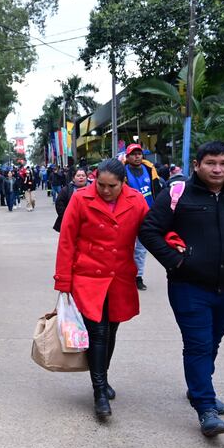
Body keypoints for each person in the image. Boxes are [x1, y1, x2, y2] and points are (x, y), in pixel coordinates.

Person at [139, 141, 224, 437]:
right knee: (198, 344)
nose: (218, 169)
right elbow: (149, 230)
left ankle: (199, 387)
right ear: (197, 165)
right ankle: (206, 407)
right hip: (188, 286)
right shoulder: (177, 194)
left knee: (213, 341)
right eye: (211, 163)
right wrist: (177, 263)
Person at [54, 158, 149, 419]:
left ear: (123, 183)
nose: (105, 191)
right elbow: (67, 239)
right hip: (88, 277)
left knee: (112, 329)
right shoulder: (81, 198)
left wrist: (173, 241)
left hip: (119, 277)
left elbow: (153, 229)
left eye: (112, 186)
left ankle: (102, 379)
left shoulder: (137, 201)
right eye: (101, 185)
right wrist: (63, 280)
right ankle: (98, 392)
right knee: (98, 331)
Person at [123, 144, 163, 291]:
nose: (137, 156)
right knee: (125, 247)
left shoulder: (150, 170)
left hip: (147, 216)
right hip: (127, 215)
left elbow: (157, 191)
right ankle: (125, 275)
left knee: (141, 249)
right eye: (133, 154)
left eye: (139, 153)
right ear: (127, 157)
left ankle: (138, 277)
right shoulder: (122, 171)